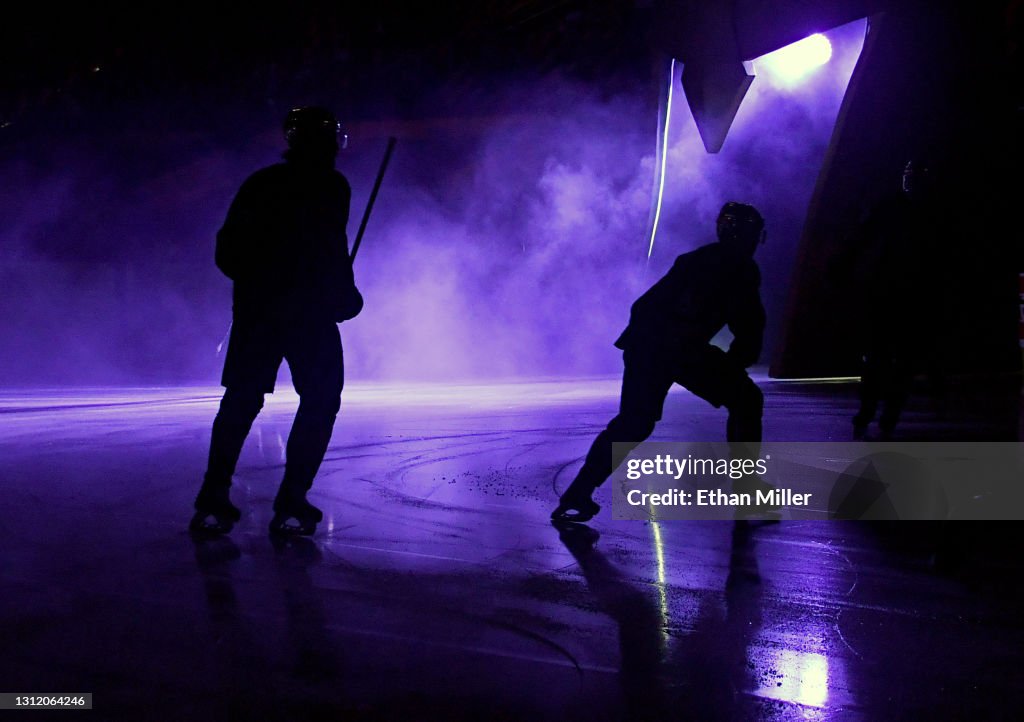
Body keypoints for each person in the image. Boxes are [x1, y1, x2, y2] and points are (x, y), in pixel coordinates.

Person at [190, 107, 362, 536]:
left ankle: (232, 494)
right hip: (292, 314)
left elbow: (329, 252)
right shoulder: (321, 187)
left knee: (252, 400)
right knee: (305, 401)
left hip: (273, 313)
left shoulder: (295, 186)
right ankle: (286, 497)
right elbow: (231, 251)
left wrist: (340, 290)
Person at [552, 202, 767, 523]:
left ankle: (579, 492)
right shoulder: (741, 268)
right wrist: (738, 359)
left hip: (650, 345)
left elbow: (645, 307)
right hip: (673, 348)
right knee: (747, 400)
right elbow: (749, 323)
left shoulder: (695, 260)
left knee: (634, 423)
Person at [844, 159, 943, 439]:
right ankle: (875, 415)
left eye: (914, 176)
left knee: (894, 363)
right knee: (886, 361)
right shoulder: (903, 210)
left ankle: (878, 416)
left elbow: (861, 239)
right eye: (907, 174)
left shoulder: (907, 211)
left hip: (904, 297)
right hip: (893, 296)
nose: (909, 180)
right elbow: (862, 239)